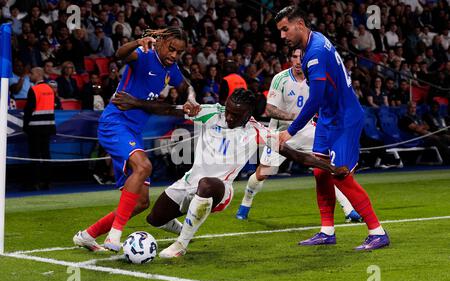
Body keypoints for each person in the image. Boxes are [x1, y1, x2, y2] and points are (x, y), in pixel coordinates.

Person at [114, 88, 346, 258]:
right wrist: (135, 101)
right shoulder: (211, 113)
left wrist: (332, 168)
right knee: (154, 219)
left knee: (205, 184)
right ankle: (187, 228)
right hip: (187, 183)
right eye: (229, 111)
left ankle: (180, 245)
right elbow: (169, 110)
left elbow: (296, 155)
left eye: (236, 114)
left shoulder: (257, 131)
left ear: (248, 114)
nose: (229, 117)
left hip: (219, 189)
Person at [73, 27, 201, 252]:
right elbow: (120, 54)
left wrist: (190, 99)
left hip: (133, 133)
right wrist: (137, 42)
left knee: (141, 202)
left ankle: (87, 235)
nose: (174, 55)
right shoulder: (144, 55)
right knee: (144, 166)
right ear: (160, 42)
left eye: (179, 52)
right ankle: (114, 236)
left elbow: (186, 86)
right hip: (115, 123)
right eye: (171, 49)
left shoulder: (170, 69)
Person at [276, 6, 390, 251]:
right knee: (320, 171)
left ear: (300, 25)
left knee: (339, 174)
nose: (283, 36)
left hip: (344, 119)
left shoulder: (314, 53)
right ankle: (327, 230)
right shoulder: (316, 40)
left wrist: (291, 131)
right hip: (329, 117)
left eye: (285, 29)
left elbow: (315, 98)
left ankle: (377, 231)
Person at [236, 48, 362, 223]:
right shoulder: (280, 79)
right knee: (263, 173)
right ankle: (246, 202)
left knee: (327, 166)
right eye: (294, 57)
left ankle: (349, 210)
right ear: (290, 58)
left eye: (301, 58)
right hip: (281, 133)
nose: (297, 61)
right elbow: (270, 109)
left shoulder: (316, 79)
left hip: (308, 131)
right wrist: (295, 117)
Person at [22, 67, 56, 191]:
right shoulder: (50, 90)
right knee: (46, 155)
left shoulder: (34, 89)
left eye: (31, 73)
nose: (30, 75)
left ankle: (34, 183)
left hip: (35, 128)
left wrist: (25, 127)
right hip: (48, 126)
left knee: (34, 155)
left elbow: (28, 110)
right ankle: (47, 182)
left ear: (37, 74)